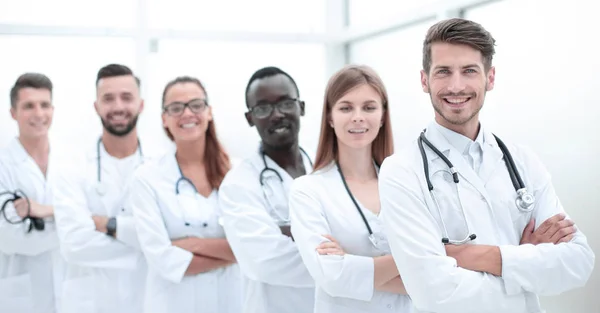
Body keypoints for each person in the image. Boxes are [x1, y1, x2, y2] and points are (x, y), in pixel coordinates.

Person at [378, 18, 595, 313]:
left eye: (469, 71)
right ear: (424, 79)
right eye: (443, 71)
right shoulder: (401, 172)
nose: (456, 86)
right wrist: (525, 261)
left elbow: (578, 263)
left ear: (490, 78)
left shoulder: (523, 161)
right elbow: (434, 294)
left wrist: (476, 257)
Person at [287, 65, 411, 313]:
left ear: (383, 115)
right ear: (330, 117)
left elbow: (440, 274)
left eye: (369, 107)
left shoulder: (409, 185)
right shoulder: (307, 191)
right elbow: (332, 278)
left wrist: (354, 267)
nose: (358, 117)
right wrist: (413, 260)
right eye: (346, 108)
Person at [127, 76, 241, 313]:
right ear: (164, 119)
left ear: (209, 112)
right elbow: (162, 260)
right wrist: (236, 254)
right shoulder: (147, 178)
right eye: (176, 108)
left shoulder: (238, 174)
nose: (187, 113)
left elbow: (253, 246)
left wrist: (194, 244)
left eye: (196, 105)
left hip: (231, 301)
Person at [52, 64, 150, 313]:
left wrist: (108, 225)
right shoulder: (71, 166)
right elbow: (74, 244)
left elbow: (170, 236)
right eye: (108, 98)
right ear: (96, 106)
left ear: (141, 104)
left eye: (126, 97)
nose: (118, 107)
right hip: (89, 302)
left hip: (146, 299)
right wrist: (146, 245)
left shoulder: (161, 166)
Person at [218, 66, 315, 313]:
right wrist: (347, 262)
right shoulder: (238, 184)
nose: (276, 115)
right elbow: (267, 261)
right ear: (250, 118)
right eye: (262, 108)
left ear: (301, 107)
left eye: (285, 103)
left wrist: (294, 233)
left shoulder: (330, 170)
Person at [0, 73, 65, 313]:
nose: (39, 114)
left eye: (44, 105)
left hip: (69, 287)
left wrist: (45, 211)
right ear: (13, 113)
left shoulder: (71, 160)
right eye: (28, 106)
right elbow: (8, 237)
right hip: (22, 294)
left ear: (53, 109)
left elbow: (92, 219)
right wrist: (71, 221)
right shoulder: (3, 166)